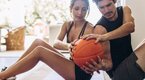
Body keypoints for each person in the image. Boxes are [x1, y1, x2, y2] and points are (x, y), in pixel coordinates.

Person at [0, 0, 112, 80]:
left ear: (87, 10)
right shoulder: (67, 25)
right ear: (71, 9)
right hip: (71, 63)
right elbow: (55, 43)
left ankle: (2, 76)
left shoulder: (90, 28)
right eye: (76, 8)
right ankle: (9, 71)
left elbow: (104, 58)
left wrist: (100, 64)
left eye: (84, 9)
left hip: (80, 73)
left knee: (40, 51)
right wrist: (68, 46)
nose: (79, 13)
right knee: (38, 42)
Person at [81, 0, 144, 79]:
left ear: (115, 2)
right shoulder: (100, 29)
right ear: (97, 8)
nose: (106, 10)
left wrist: (105, 37)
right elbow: (109, 64)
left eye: (109, 5)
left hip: (132, 63)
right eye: (102, 7)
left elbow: (130, 27)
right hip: (119, 73)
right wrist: (102, 66)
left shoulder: (124, 10)